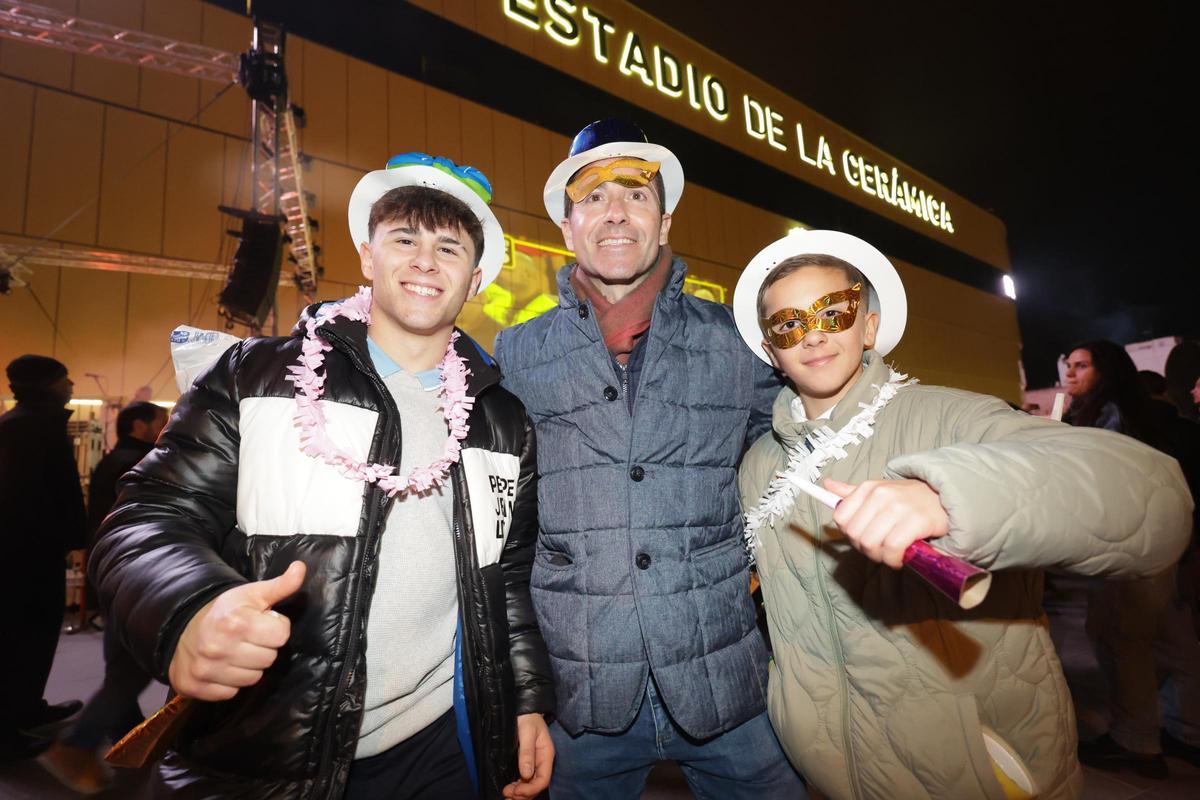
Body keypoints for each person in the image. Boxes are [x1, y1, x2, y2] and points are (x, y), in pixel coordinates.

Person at [90, 153, 555, 799]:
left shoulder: (502, 419)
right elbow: (149, 517)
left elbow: (507, 580)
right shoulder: (255, 375)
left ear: (475, 279)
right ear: (367, 256)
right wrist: (189, 607)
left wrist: (525, 701)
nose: (425, 261)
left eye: (449, 247)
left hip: (443, 746)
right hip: (273, 746)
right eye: (405, 239)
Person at [732, 230, 1193, 799]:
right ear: (771, 349)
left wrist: (951, 496)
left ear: (868, 326)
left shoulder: (950, 419)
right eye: (788, 324)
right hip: (827, 770)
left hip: (974, 772)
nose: (813, 334)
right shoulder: (760, 465)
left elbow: (1154, 496)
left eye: (833, 312)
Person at [493, 118, 802, 798]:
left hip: (726, 683)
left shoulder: (735, 342)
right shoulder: (516, 353)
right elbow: (502, 534)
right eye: (594, 197)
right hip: (582, 695)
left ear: (663, 224)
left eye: (636, 195)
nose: (615, 212)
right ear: (567, 227)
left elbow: (805, 450)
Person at [1061, 341, 1200, 776]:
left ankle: (1136, 740)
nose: (1071, 373)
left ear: (1106, 371)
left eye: (1082, 365)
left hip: (1128, 542)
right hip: (1164, 538)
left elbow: (1103, 483)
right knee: (1173, 640)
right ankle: (1188, 730)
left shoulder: (1109, 417)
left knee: (1121, 637)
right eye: (1070, 365)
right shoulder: (1139, 413)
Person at [36, 401, 168, 793]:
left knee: (123, 668)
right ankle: (78, 744)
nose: (167, 427)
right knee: (133, 668)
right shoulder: (143, 463)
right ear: (140, 425)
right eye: (162, 421)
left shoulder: (117, 460)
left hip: (118, 575)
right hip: (139, 578)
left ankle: (127, 745)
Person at [0, 354, 86, 760]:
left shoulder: (32, 424)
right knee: (20, 639)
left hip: (33, 551)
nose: (71, 385)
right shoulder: (26, 428)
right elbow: (25, 499)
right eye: (65, 378)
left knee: (36, 636)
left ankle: (27, 709)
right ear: (48, 384)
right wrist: (68, 534)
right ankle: (7, 732)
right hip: (23, 556)